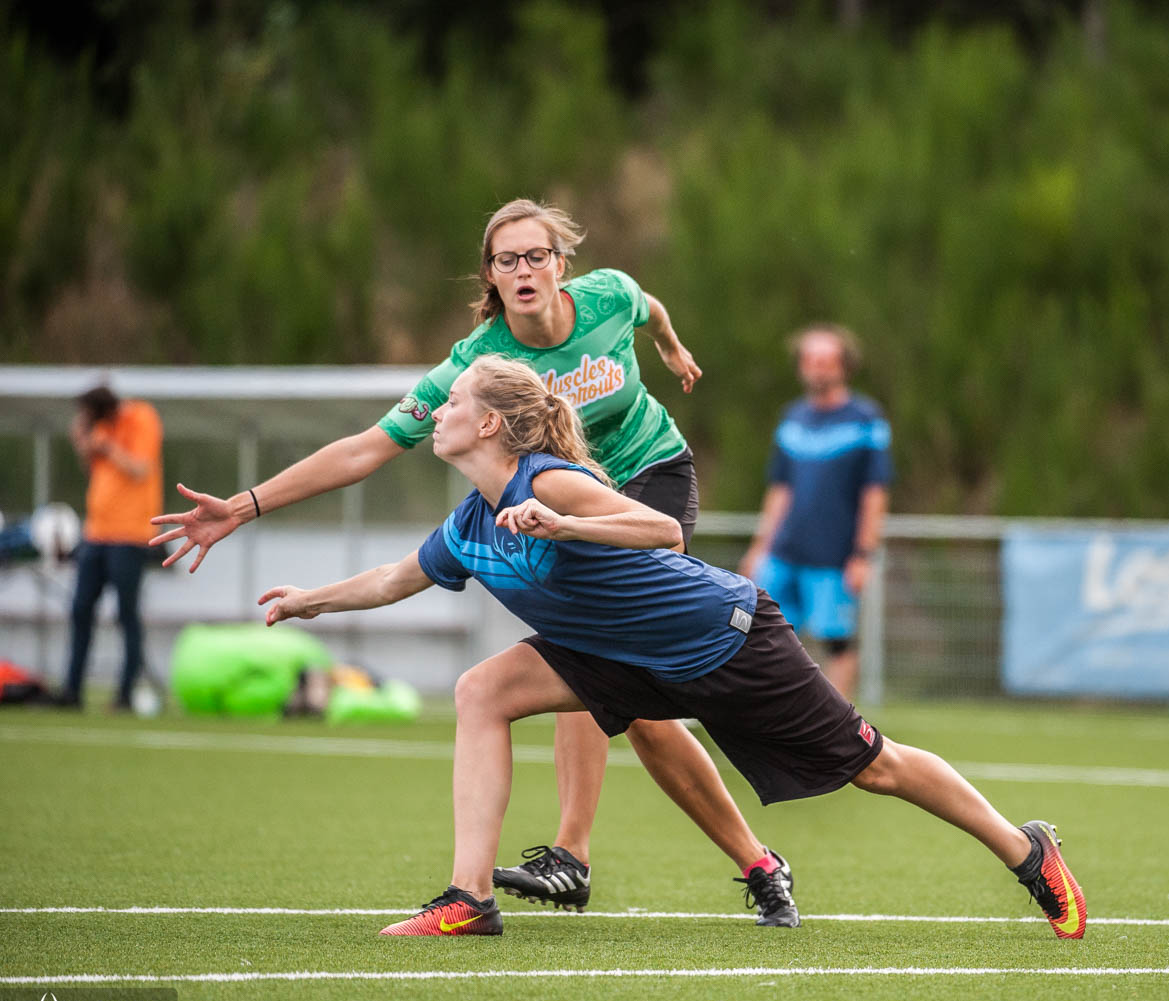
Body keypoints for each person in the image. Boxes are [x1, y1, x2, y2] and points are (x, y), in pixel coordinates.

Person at [258, 357, 1087, 939]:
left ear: (489, 422)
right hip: (623, 658)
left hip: (725, 639)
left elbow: (660, 530)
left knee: (876, 765)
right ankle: (468, 898)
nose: (434, 411)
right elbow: (399, 576)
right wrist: (310, 602)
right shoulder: (469, 522)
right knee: (482, 689)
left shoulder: (545, 480)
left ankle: (1026, 851)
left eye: (450, 402)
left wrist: (565, 521)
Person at [151, 199, 784, 919]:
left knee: (606, 664)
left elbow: (651, 307)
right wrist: (245, 504)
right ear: (490, 272)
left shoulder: (608, 294)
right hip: (554, 500)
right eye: (506, 258)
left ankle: (580, 856)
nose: (522, 269)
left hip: (646, 486)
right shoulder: (477, 366)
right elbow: (366, 448)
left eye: (535, 254)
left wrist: (671, 347)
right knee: (618, 690)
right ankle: (744, 860)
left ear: (560, 264)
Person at [739, 324, 890, 700]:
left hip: (834, 558)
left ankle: (838, 727)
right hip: (784, 553)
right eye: (809, 360)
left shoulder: (866, 419)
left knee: (836, 640)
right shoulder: (792, 419)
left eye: (825, 360)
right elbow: (780, 490)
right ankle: (765, 710)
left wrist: (863, 554)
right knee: (757, 631)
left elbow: (875, 493)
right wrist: (760, 548)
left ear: (844, 366)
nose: (816, 368)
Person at [60, 385, 163, 710]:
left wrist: (107, 445)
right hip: (95, 534)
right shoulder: (103, 427)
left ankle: (124, 695)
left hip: (130, 535)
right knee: (80, 609)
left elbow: (140, 469)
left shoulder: (141, 417)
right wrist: (82, 442)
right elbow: (93, 468)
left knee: (126, 614)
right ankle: (72, 691)